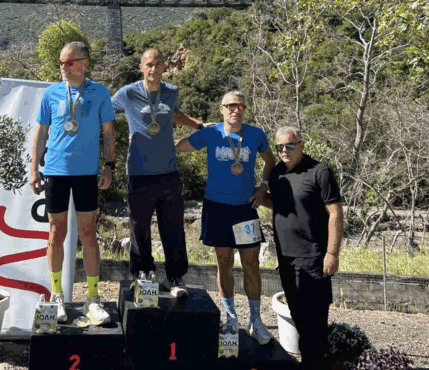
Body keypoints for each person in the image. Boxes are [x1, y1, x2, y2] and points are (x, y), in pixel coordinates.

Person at [175, 90, 276, 344]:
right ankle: (231, 317)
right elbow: (179, 147)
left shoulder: (256, 134)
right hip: (217, 207)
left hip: (245, 208)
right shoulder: (211, 133)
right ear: (221, 109)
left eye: (241, 106)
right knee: (224, 263)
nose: (236, 110)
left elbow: (270, 160)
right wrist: (153, 138)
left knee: (251, 263)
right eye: (231, 105)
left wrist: (263, 187)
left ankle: (255, 321)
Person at [29, 41, 116, 326]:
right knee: (56, 233)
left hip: (87, 174)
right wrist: (34, 169)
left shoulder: (100, 92)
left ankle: (92, 297)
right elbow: (41, 133)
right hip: (55, 171)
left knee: (88, 234)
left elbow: (109, 133)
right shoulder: (51, 93)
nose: (64, 67)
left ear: (84, 63)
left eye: (69, 62)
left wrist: (109, 165)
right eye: (61, 63)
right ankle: (56, 295)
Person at [111, 48, 206, 298]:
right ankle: (143, 274)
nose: (153, 69)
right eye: (149, 65)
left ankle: (176, 277)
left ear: (165, 67)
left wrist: (198, 125)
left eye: (158, 64)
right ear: (141, 67)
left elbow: (174, 114)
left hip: (168, 171)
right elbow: (106, 112)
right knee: (139, 228)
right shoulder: (128, 93)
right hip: (138, 172)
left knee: (173, 228)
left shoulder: (171, 91)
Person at [262, 126, 344, 370]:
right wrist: (258, 198)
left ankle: (315, 364)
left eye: (289, 145)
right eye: (279, 147)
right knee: (298, 316)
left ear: (302, 145)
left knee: (314, 320)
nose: (284, 151)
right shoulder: (277, 173)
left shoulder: (319, 171)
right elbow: (280, 203)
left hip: (313, 257)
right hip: (285, 258)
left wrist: (332, 253)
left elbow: (335, 213)